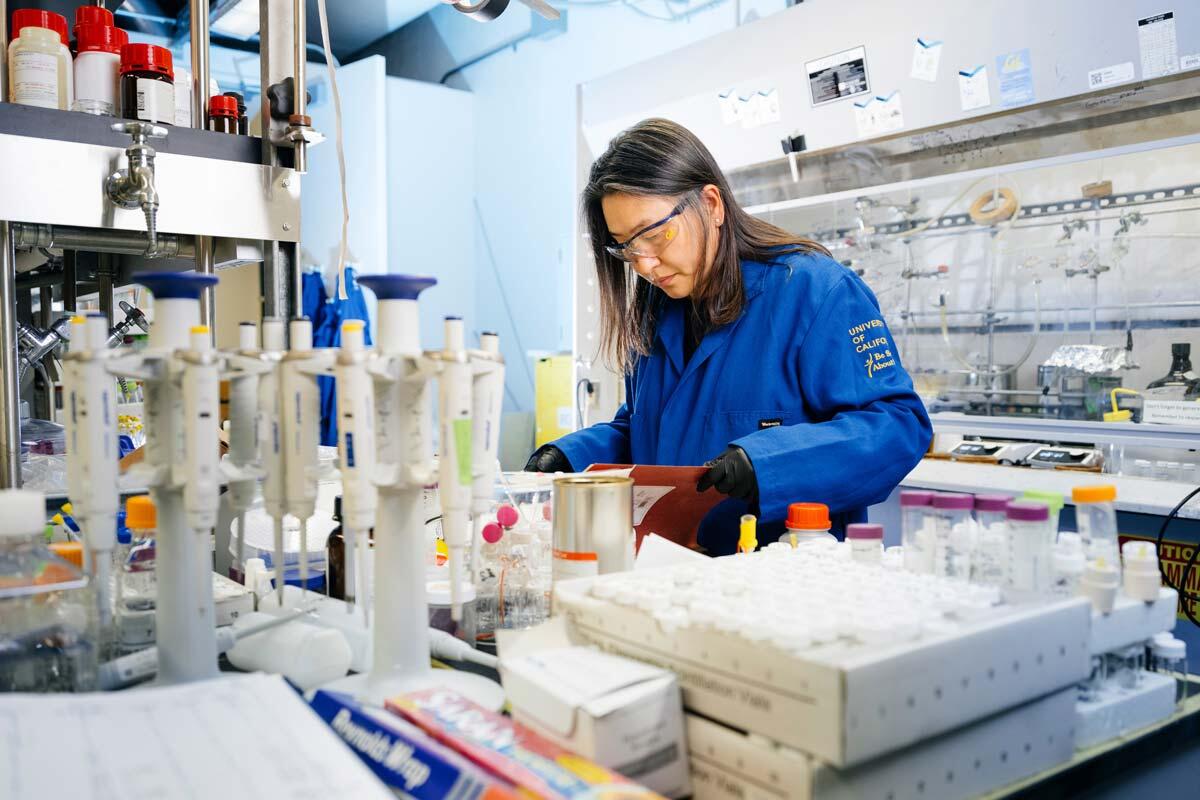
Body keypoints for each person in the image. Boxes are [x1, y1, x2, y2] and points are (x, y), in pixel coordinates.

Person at [525, 119, 931, 555]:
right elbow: (648, 430)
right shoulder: (657, 310)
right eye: (626, 247)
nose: (643, 264)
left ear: (712, 204)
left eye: (655, 235)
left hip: (785, 581)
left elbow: (898, 425)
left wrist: (768, 464)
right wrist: (574, 459)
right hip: (675, 575)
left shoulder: (814, 292)